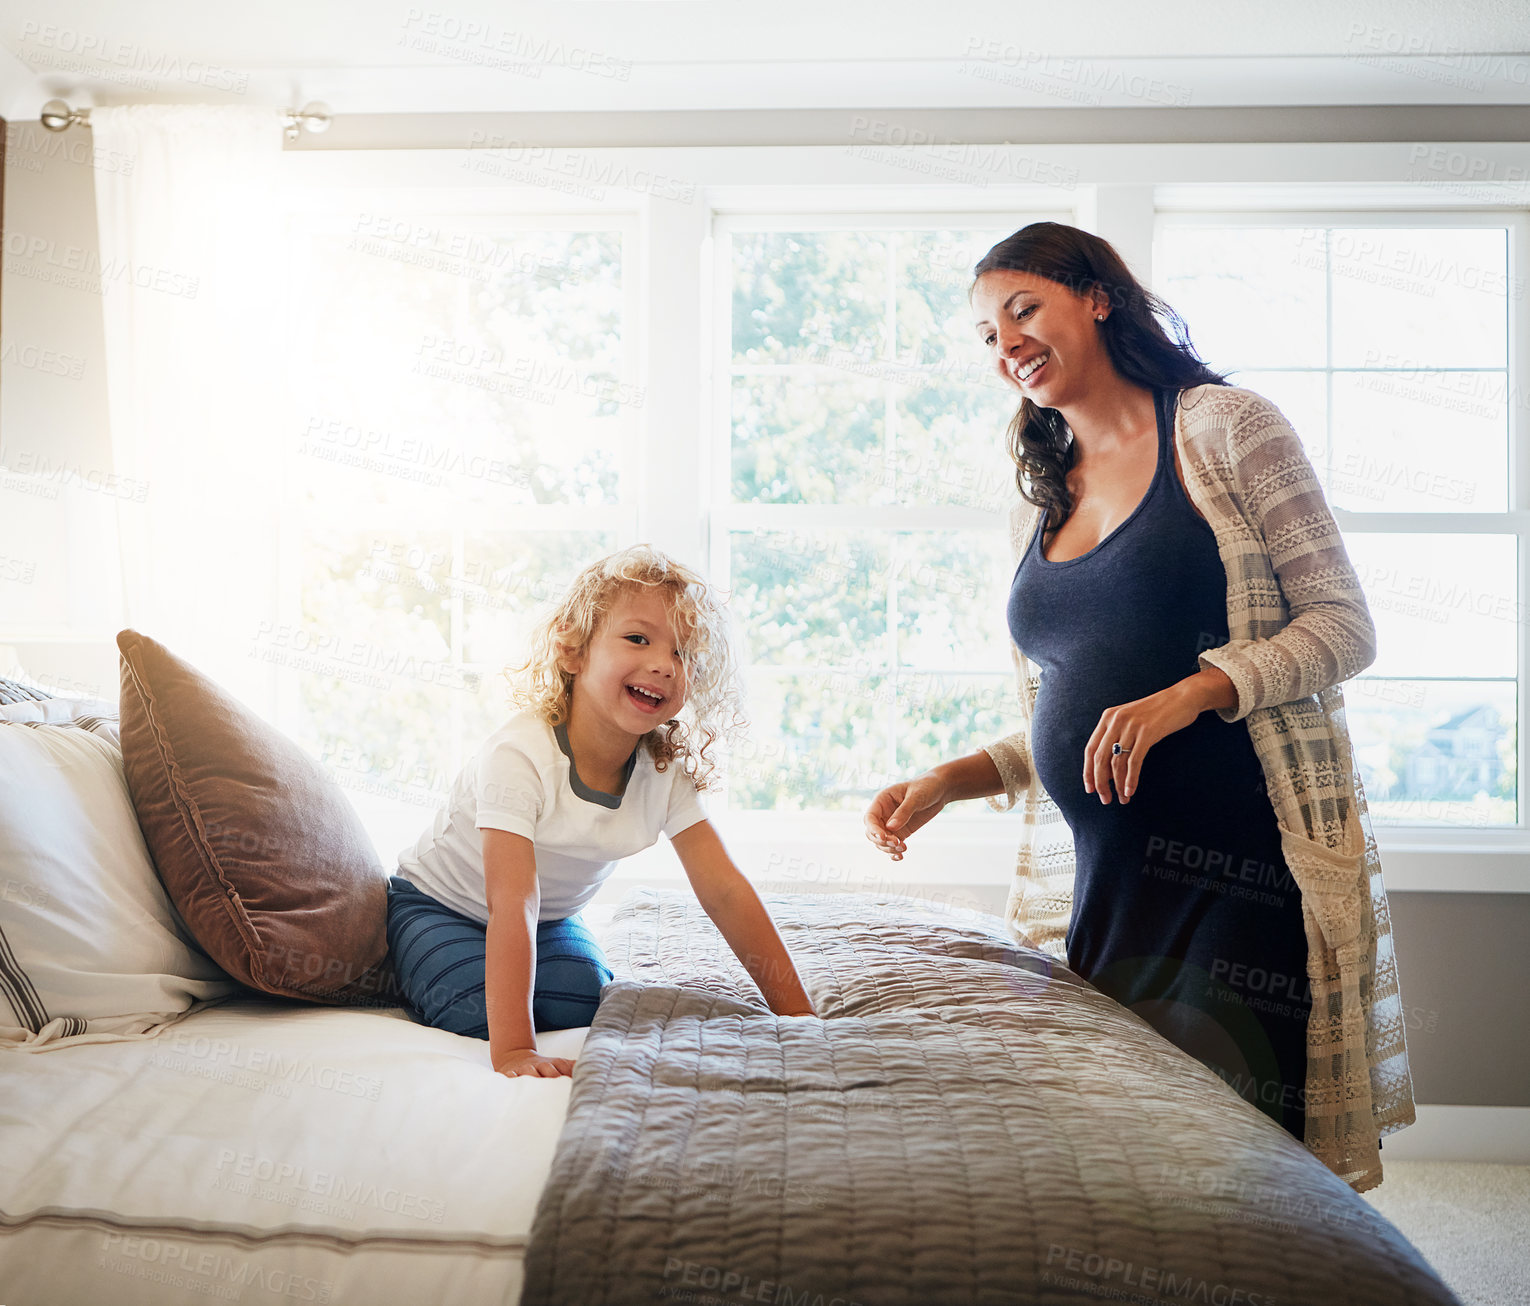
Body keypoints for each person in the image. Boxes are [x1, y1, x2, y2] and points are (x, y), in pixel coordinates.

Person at [863, 221, 1414, 1191]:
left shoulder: (1225, 429)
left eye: (1022, 309)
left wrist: (1199, 690)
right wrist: (953, 778)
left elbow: (1344, 626)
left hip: (1239, 880)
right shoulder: (1047, 486)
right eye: (987, 334)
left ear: (1099, 298)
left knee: (1233, 1178)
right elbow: (1078, 702)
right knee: (1117, 1176)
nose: (1006, 344)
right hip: (1112, 895)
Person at [387, 544, 815, 1079]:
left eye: (684, 654)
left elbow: (725, 890)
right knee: (471, 1005)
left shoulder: (662, 770)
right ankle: (406, 961)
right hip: (441, 904)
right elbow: (511, 899)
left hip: (548, 918)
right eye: (638, 638)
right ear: (573, 650)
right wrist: (515, 1051)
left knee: (584, 1002)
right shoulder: (518, 756)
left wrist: (799, 1016)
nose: (663, 664)